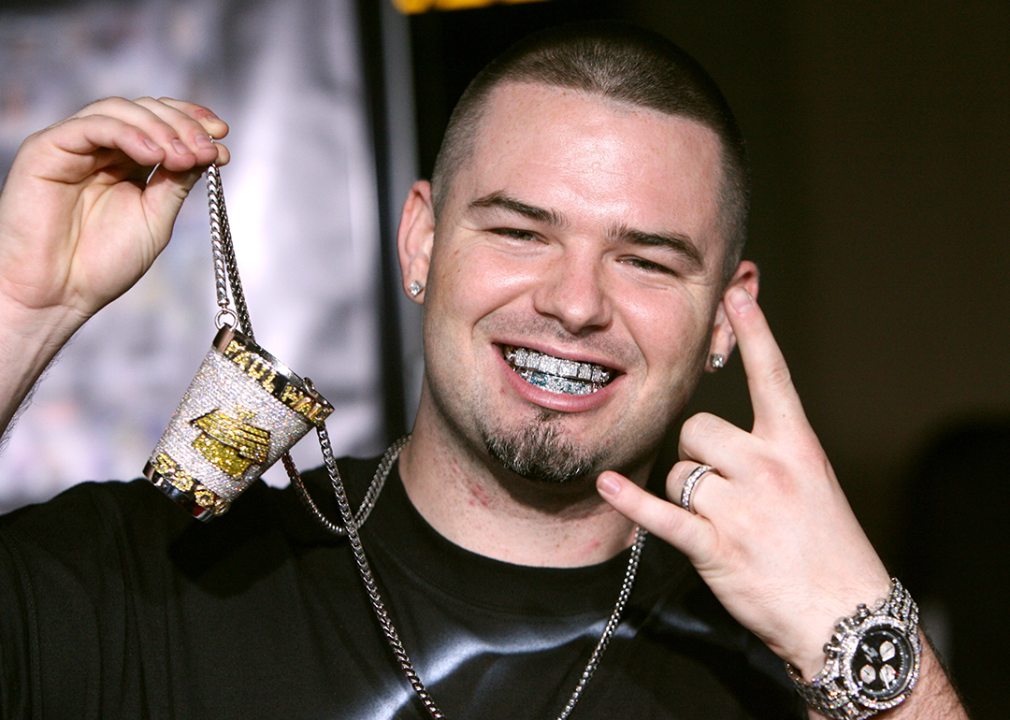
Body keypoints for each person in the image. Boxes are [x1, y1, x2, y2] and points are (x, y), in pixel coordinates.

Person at [0, 22, 967, 720]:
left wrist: (869, 652)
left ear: (725, 315)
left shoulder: (810, 666)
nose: (576, 302)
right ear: (421, 240)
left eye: (646, 260)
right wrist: (19, 312)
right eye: (518, 231)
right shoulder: (141, 586)